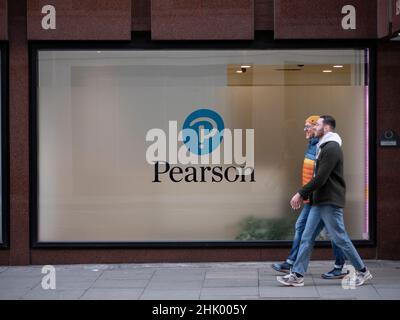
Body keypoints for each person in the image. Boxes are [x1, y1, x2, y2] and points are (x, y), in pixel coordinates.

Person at [277, 115, 373, 287]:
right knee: (307, 237)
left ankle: (362, 271)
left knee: (340, 238)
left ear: (327, 128)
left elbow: (321, 178)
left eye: (318, 124)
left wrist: (300, 193)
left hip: (329, 201)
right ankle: (297, 275)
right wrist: (309, 196)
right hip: (319, 201)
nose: (314, 127)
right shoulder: (323, 146)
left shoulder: (332, 148)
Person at [272, 115, 348, 279]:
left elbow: (319, 176)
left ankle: (343, 267)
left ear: (318, 128)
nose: (305, 130)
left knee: (335, 234)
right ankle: (293, 264)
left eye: (309, 126)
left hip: (322, 198)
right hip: (312, 198)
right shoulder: (313, 145)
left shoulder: (324, 147)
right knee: (303, 228)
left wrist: (301, 193)